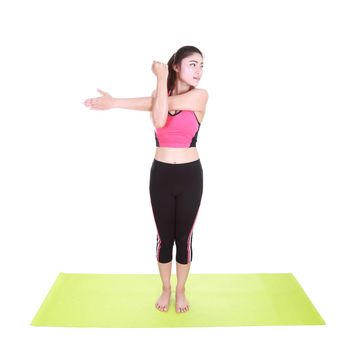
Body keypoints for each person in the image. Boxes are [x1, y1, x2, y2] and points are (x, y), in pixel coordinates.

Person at [83, 45, 208, 313]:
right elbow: (160, 117)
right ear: (176, 66)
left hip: (190, 175)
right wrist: (159, 82)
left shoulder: (200, 96)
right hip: (161, 174)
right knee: (164, 238)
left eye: (201, 66)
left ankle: (182, 289)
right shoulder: (158, 95)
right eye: (193, 64)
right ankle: (166, 288)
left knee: (184, 239)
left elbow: (159, 106)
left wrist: (120, 101)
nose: (199, 71)